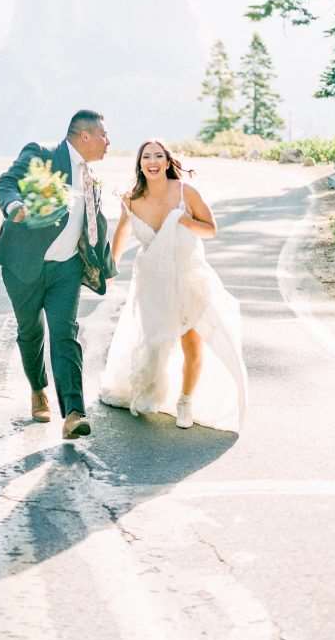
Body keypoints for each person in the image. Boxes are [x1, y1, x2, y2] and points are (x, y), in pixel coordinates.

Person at [99, 139, 247, 432]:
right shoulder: (131, 199)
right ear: (140, 165)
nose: (152, 161)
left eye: (158, 156)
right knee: (154, 342)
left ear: (167, 163)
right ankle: (148, 391)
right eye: (146, 157)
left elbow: (211, 229)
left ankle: (186, 400)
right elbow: (121, 234)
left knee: (191, 341)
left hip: (188, 276)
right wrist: (109, 268)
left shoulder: (185, 192)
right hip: (151, 282)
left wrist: (181, 221)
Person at [0, 110, 117, 439]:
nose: (109, 142)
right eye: (105, 135)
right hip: (24, 265)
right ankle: (37, 388)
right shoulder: (43, 155)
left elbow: (90, 223)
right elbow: (5, 183)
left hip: (67, 269)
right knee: (30, 331)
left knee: (65, 334)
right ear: (85, 136)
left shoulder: (89, 175)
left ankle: (74, 412)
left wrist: (101, 264)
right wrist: (14, 206)